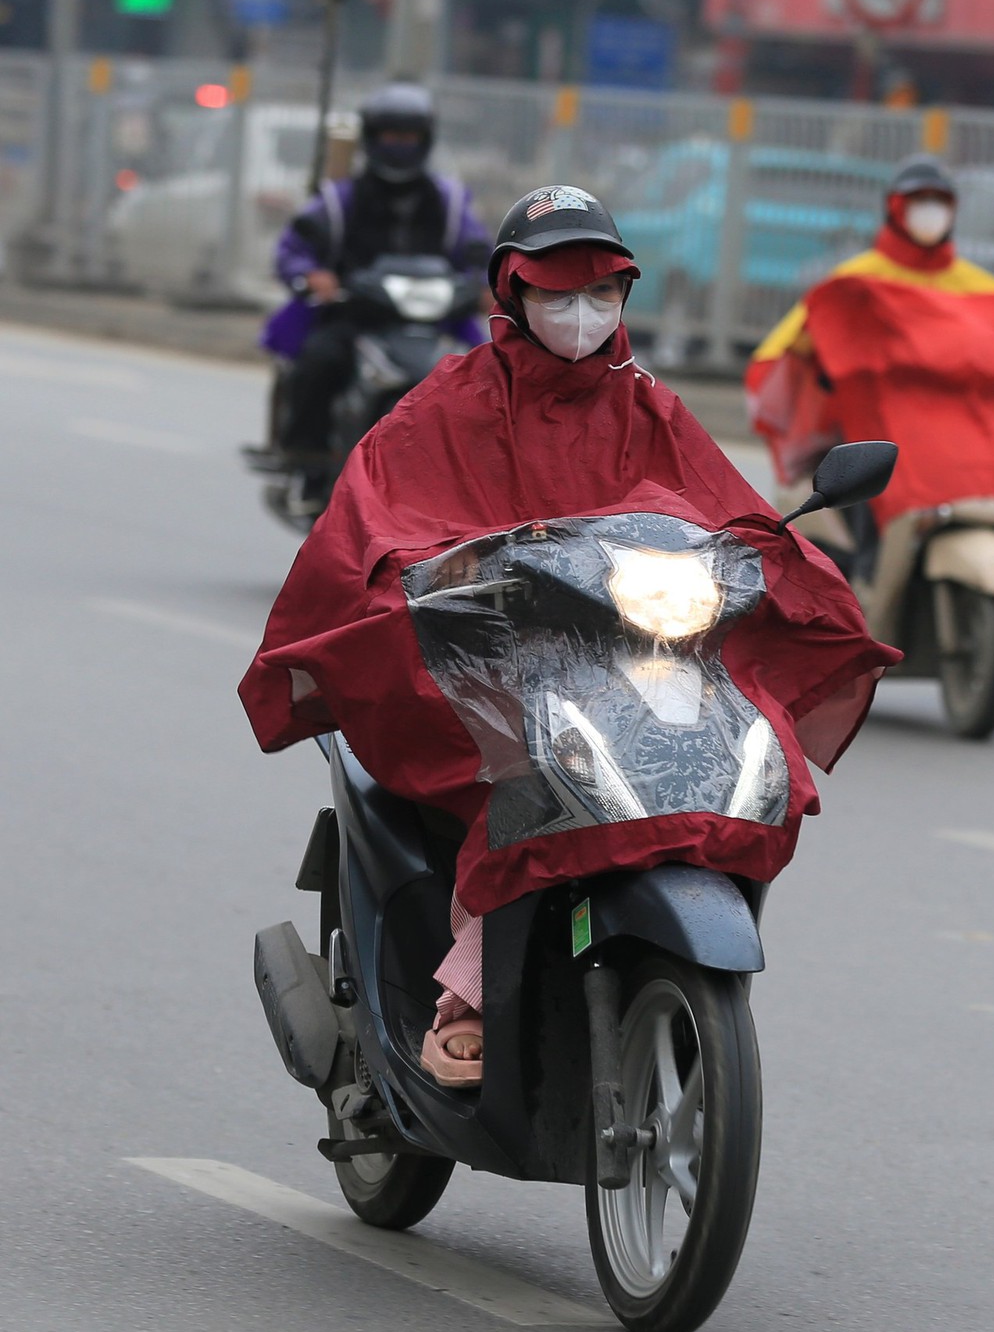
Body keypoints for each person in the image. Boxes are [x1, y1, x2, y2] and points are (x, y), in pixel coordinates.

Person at [241, 185, 895, 1088]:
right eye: (555, 292)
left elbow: (727, 511)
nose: (580, 313)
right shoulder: (448, 403)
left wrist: (780, 560)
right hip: (496, 660)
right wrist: (441, 573)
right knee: (527, 772)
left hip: (629, 650)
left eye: (600, 291)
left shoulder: (648, 405)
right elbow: (378, 515)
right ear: (511, 295)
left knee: (740, 759)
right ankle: (467, 985)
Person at [745, 155, 994, 557]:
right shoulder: (854, 282)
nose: (929, 211)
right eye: (918, 200)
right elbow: (791, 346)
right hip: (874, 433)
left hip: (952, 440)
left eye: (939, 200)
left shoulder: (982, 289)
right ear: (894, 207)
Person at [263, 83, 490, 480]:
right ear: (372, 139)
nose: (400, 145)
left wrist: (490, 285)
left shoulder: (450, 202)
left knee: (491, 380)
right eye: (391, 136)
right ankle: (308, 460)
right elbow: (294, 248)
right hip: (355, 319)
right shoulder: (338, 201)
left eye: (409, 137)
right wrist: (312, 276)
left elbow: (480, 254)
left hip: (433, 321)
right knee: (318, 361)